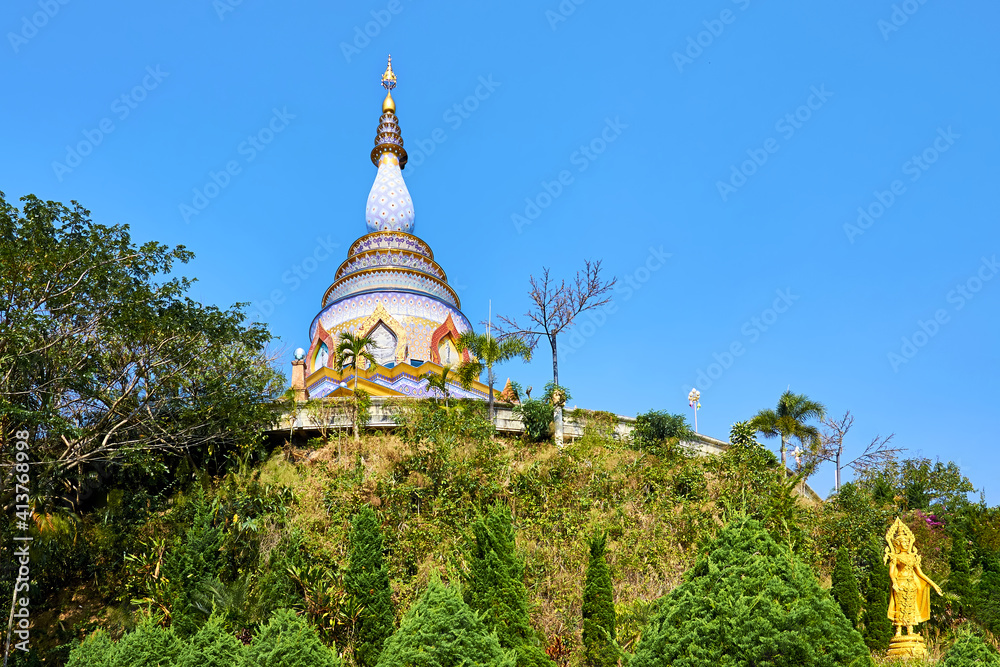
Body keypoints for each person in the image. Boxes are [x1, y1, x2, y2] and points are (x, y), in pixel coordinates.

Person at [885, 518, 942, 636]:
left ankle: (910, 629)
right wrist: (894, 582)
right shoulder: (895, 557)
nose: (905, 544)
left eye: (907, 542)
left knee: (910, 606)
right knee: (899, 605)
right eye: (903, 542)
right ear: (897, 544)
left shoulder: (913, 557)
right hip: (900, 583)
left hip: (912, 584)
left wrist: (934, 584)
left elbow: (920, 573)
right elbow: (891, 572)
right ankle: (898, 631)